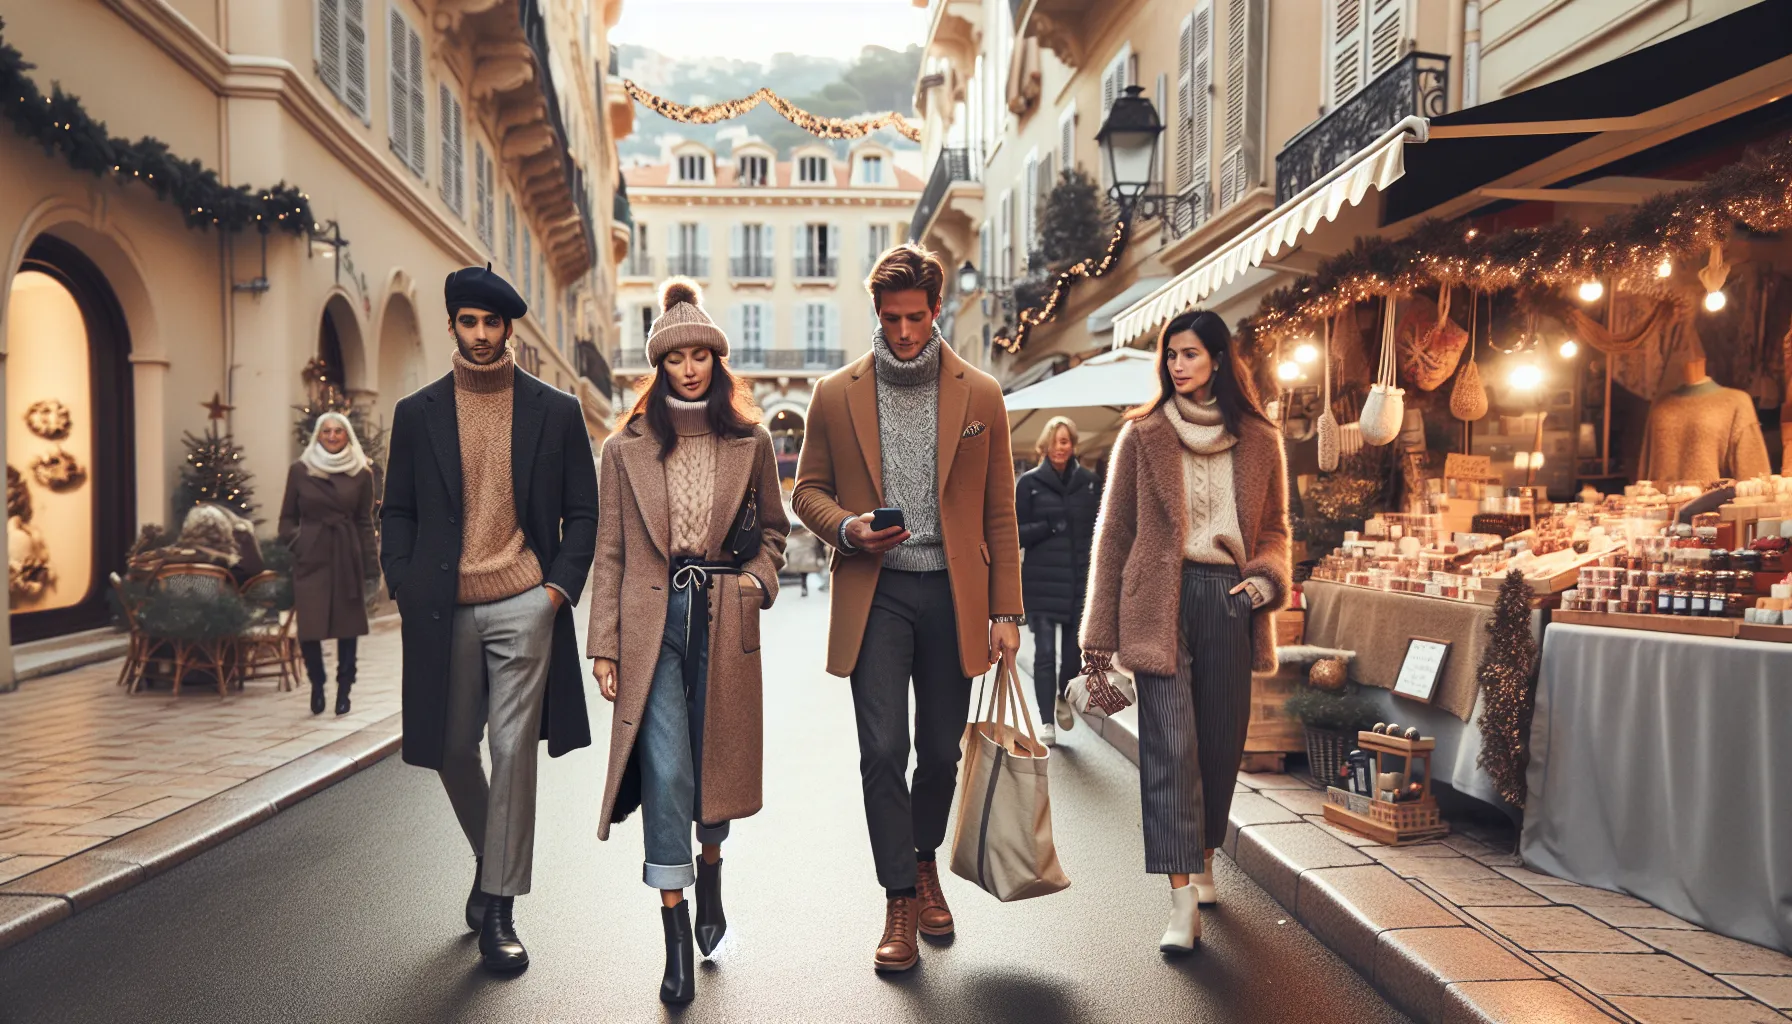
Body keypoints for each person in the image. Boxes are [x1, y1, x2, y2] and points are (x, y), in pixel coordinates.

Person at [793, 243, 1023, 974]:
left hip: (956, 595)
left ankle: (924, 863)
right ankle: (898, 895)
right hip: (879, 591)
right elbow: (807, 491)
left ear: (936, 310)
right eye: (890, 318)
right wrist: (850, 528)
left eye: (915, 318)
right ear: (876, 312)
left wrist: (1007, 612)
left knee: (940, 752)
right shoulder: (836, 393)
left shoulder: (980, 394)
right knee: (882, 750)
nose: (901, 333)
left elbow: (1000, 513)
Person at [379, 264, 598, 972]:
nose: (480, 335)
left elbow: (583, 512)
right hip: (441, 607)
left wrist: (556, 592)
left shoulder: (554, 410)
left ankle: (501, 907)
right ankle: (490, 856)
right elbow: (400, 510)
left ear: (509, 330)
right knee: (448, 748)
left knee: (511, 749)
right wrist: (403, 583)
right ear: (453, 325)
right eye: (468, 322)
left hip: (523, 602)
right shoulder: (416, 414)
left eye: (491, 323)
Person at [587, 278, 789, 1005]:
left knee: (714, 770)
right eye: (677, 359)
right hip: (652, 626)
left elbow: (775, 532)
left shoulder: (750, 441)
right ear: (660, 367)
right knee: (668, 771)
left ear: (716, 361)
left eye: (702, 355)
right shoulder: (625, 449)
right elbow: (609, 550)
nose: (691, 368)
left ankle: (711, 874)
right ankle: (674, 934)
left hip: (723, 616)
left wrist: (756, 585)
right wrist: (604, 645)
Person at [1080, 308, 1290, 954]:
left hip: (1228, 600)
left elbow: (1276, 529)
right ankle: (1179, 904)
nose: (1177, 365)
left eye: (1191, 354)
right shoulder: (1142, 435)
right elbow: (1115, 536)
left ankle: (1202, 855)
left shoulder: (1259, 439)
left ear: (1219, 360)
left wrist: (1265, 580)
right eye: (1170, 354)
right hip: (1158, 605)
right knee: (1170, 751)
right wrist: (1098, 637)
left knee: (1220, 750)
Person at [279, 412, 378, 716]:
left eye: (338, 431)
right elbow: (286, 519)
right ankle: (317, 684)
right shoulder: (300, 470)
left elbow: (365, 521)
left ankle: (344, 689)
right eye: (327, 431)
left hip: (346, 555)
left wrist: (371, 565)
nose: (333, 436)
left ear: (347, 435)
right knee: (310, 627)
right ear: (318, 436)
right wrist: (301, 542)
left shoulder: (362, 473)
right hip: (312, 557)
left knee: (347, 628)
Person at [1014, 415, 1099, 745]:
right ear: (1044, 446)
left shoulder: (1090, 484)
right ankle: (1046, 721)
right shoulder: (1029, 484)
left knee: (1072, 657)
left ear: (1073, 444)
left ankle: (1063, 698)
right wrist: (1048, 527)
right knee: (1045, 654)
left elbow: (1099, 535)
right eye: (1054, 441)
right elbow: (1015, 534)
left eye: (1065, 441)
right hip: (1041, 584)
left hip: (1079, 584)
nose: (1059, 447)